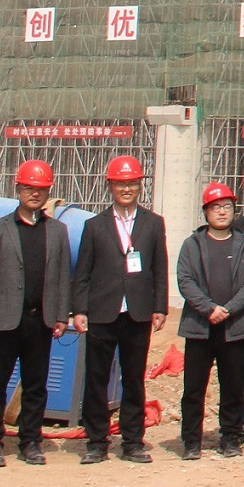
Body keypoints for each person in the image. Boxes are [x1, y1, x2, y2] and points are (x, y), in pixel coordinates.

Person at [0, 159, 69, 468]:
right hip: (5, 320)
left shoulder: (57, 231)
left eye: (40, 189)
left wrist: (60, 315)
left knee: (36, 385)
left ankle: (30, 441)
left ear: (48, 192)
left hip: (39, 320)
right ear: (18, 189)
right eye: (28, 188)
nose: (34, 194)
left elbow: (62, 276)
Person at [72, 154, 167, 465]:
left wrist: (159, 306)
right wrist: (79, 309)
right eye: (120, 183)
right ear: (110, 186)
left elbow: (159, 267)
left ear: (140, 186)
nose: (126, 189)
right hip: (102, 311)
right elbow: (83, 271)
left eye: (132, 183)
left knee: (134, 379)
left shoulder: (153, 223)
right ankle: (96, 442)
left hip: (137, 312)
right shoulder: (94, 226)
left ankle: (132, 442)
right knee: (96, 379)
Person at [173, 182, 244, 460]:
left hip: (236, 327)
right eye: (215, 207)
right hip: (200, 327)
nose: (222, 212)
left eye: (226, 207)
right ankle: (191, 441)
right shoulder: (192, 245)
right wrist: (209, 308)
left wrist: (229, 309)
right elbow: (185, 280)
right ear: (205, 212)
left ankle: (231, 437)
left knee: (233, 386)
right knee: (194, 389)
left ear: (234, 211)